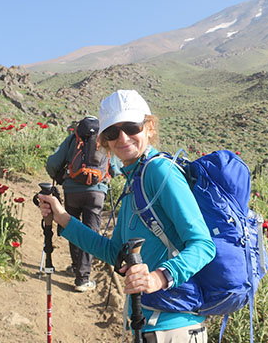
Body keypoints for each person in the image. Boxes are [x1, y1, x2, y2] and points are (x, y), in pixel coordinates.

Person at [38, 90, 215, 342]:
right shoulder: (135, 180)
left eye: (131, 127)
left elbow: (203, 245)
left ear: (149, 127)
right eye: (112, 132)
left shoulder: (159, 171)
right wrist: (62, 216)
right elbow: (114, 253)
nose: (123, 137)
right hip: (147, 323)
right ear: (104, 142)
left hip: (173, 327)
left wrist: (158, 277)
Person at [45, 116, 122, 292]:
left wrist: (60, 176)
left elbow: (52, 163)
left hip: (72, 191)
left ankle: (76, 267)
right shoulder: (104, 139)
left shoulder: (74, 138)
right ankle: (83, 278)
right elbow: (116, 170)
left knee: (73, 226)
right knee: (90, 232)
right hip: (96, 193)